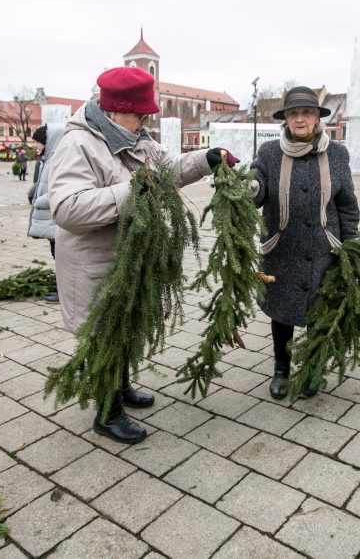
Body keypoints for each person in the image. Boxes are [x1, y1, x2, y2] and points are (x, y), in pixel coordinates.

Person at [47, 66, 237, 444]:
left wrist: (207, 159)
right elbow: (67, 208)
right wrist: (131, 192)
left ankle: (121, 388)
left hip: (130, 258)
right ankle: (107, 412)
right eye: (139, 114)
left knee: (125, 328)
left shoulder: (138, 140)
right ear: (115, 111)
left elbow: (170, 168)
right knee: (104, 335)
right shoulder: (79, 144)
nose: (145, 120)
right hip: (95, 262)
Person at [249, 86, 360, 400]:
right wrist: (251, 186)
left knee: (318, 312)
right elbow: (256, 186)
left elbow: (347, 205)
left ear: (316, 117)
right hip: (282, 249)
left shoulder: (337, 154)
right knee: (281, 313)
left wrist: (351, 248)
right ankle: (281, 370)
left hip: (325, 249)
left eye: (306, 113)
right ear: (285, 120)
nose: (300, 119)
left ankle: (312, 367)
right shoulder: (269, 152)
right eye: (293, 113)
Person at [27, 123, 66, 303]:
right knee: (56, 254)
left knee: (62, 256)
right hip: (51, 218)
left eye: (39, 142)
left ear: (48, 142)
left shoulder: (59, 160)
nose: (37, 146)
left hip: (57, 218)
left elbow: (58, 190)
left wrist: (39, 201)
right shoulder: (47, 159)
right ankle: (61, 287)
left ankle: (64, 292)